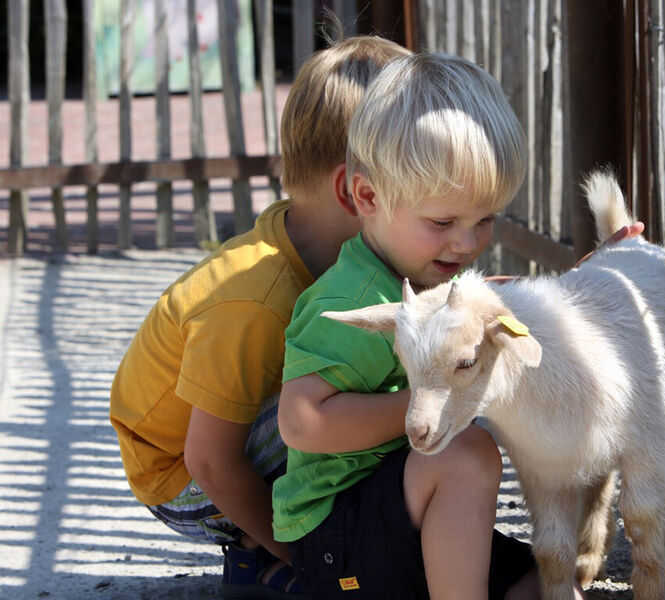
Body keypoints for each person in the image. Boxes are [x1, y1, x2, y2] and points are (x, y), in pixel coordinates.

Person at [109, 35, 413, 600]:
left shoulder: (325, 246)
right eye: (421, 183)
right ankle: (284, 551)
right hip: (181, 477)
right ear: (355, 192)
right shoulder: (256, 299)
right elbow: (209, 459)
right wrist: (301, 555)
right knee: (356, 391)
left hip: (220, 448)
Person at [274, 51, 580, 600]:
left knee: (550, 585)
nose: (466, 242)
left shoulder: (437, 287)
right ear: (367, 196)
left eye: (484, 219)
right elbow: (300, 423)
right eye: (443, 222)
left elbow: (511, 306)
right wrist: (438, 399)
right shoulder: (358, 297)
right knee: (468, 456)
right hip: (337, 539)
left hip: (402, 516)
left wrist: (586, 283)